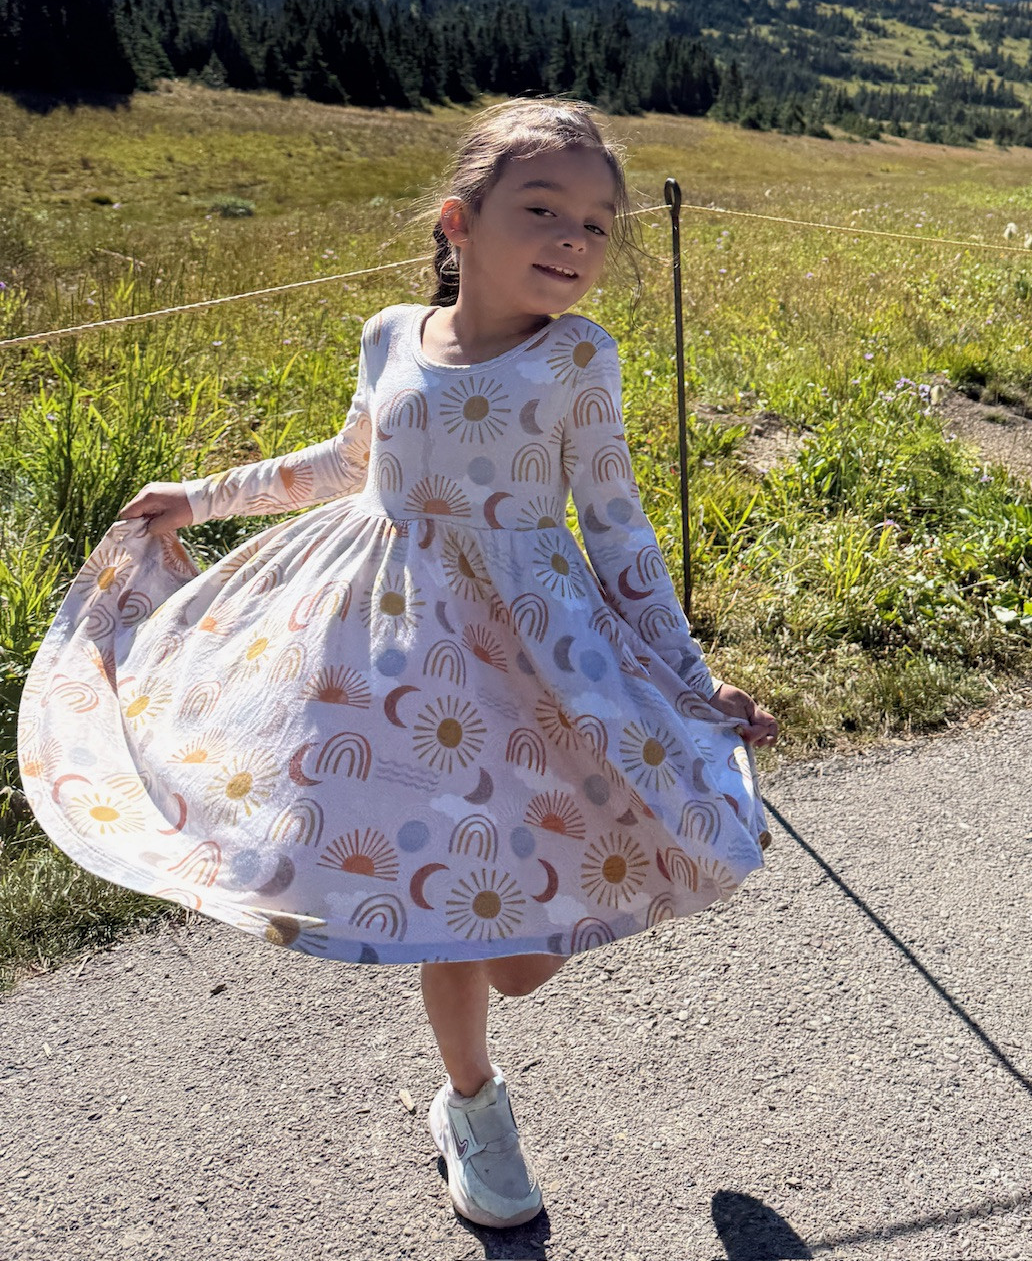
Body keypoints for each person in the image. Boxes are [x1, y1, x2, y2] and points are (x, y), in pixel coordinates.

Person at [17, 98, 778, 1231]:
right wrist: (202, 497)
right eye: (544, 210)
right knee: (457, 899)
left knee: (524, 953)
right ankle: (473, 1102)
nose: (574, 239)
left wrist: (687, 677)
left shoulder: (580, 357)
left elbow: (617, 530)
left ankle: (496, 1004)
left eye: (596, 223)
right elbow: (345, 463)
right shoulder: (390, 334)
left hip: (532, 660)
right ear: (459, 222)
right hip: (388, 654)